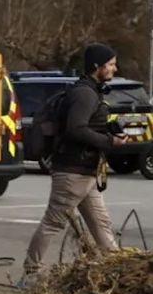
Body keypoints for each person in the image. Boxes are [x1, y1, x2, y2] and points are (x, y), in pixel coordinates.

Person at [25, 43, 125, 275]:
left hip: (86, 172)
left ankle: (118, 272)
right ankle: (31, 272)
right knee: (53, 222)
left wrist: (107, 131)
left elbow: (86, 126)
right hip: (73, 172)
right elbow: (76, 129)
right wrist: (110, 142)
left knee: (101, 223)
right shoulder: (84, 94)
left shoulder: (90, 91)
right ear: (96, 66)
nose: (114, 68)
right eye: (110, 64)